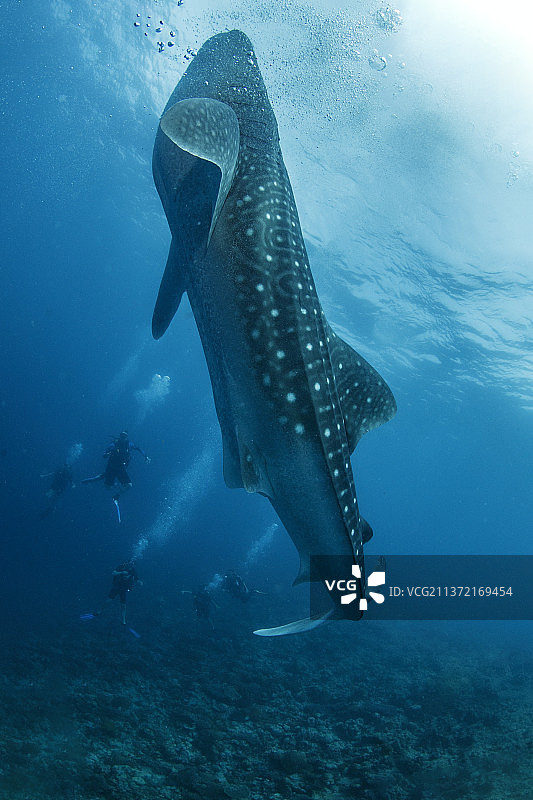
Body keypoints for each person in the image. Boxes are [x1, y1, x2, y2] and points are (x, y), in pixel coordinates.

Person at [81, 431, 150, 510]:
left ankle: (116, 496)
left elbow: (138, 448)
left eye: (125, 436)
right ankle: (97, 478)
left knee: (129, 485)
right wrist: (106, 454)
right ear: (120, 436)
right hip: (111, 467)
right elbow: (105, 453)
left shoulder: (129, 444)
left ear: (127, 437)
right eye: (122, 435)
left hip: (121, 468)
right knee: (108, 487)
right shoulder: (114, 444)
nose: (123, 437)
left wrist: (146, 456)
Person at [108, 560, 142, 625]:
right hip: (116, 586)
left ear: (134, 565)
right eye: (130, 563)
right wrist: (121, 573)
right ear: (127, 563)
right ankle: (99, 611)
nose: (131, 565)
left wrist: (140, 583)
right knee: (108, 601)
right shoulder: (121, 567)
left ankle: (123, 620)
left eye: (133, 564)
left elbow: (137, 580)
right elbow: (113, 573)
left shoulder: (133, 571)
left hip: (124, 589)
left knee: (123, 606)